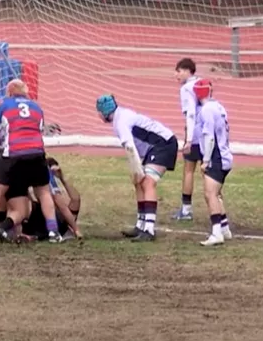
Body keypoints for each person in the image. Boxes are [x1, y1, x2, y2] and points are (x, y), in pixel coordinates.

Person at [0, 80, 59, 243]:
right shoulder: (37, 108)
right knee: (44, 193)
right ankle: (53, 232)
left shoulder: (4, 105)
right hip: (37, 154)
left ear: (9, 93)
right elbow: (39, 131)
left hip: (13, 154)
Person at [96, 94, 178, 242]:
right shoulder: (121, 116)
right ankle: (141, 225)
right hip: (154, 147)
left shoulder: (120, 122)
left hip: (163, 144)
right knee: (139, 182)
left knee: (147, 182)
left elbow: (129, 146)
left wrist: (136, 169)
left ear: (104, 112)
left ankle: (149, 229)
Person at [194, 79, 234, 247]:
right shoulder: (219, 107)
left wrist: (205, 160)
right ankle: (224, 228)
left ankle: (217, 232)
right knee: (215, 194)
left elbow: (209, 136)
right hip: (224, 154)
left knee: (210, 194)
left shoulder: (206, 110)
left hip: (216, 157)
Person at [173, 57, 200, 221]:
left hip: (195, 133)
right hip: (208, 132)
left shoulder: (186, 89)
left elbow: (191, 114)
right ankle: (218, 209)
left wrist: (189, 139)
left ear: (186, 71)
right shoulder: (202, 83)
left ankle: (186, 209)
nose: (176, 75)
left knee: (189, 169)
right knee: (210, 172)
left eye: (179, 71)